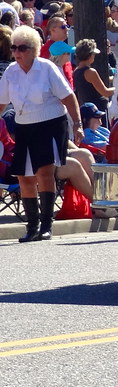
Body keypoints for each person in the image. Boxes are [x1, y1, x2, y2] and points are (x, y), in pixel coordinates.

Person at [0, 25, 85, 242]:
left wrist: (77, 124)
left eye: (22, 48)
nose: (17, 52)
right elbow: (1, 103)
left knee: (44, 173)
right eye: (14, 48)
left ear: (34, 49)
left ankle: (46, 226)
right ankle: (32, 227)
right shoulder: (10, 72)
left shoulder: (47, 68)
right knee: (24, 177)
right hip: (24, 126)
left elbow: (68, 97)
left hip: (50, 124)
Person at [73, 39, 115, 118]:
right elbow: (105, 92)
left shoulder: (76, 71)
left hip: (88, 110)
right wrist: (117, 89)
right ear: (89, 55)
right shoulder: (90, 72)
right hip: (97, 110)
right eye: (93, 54)